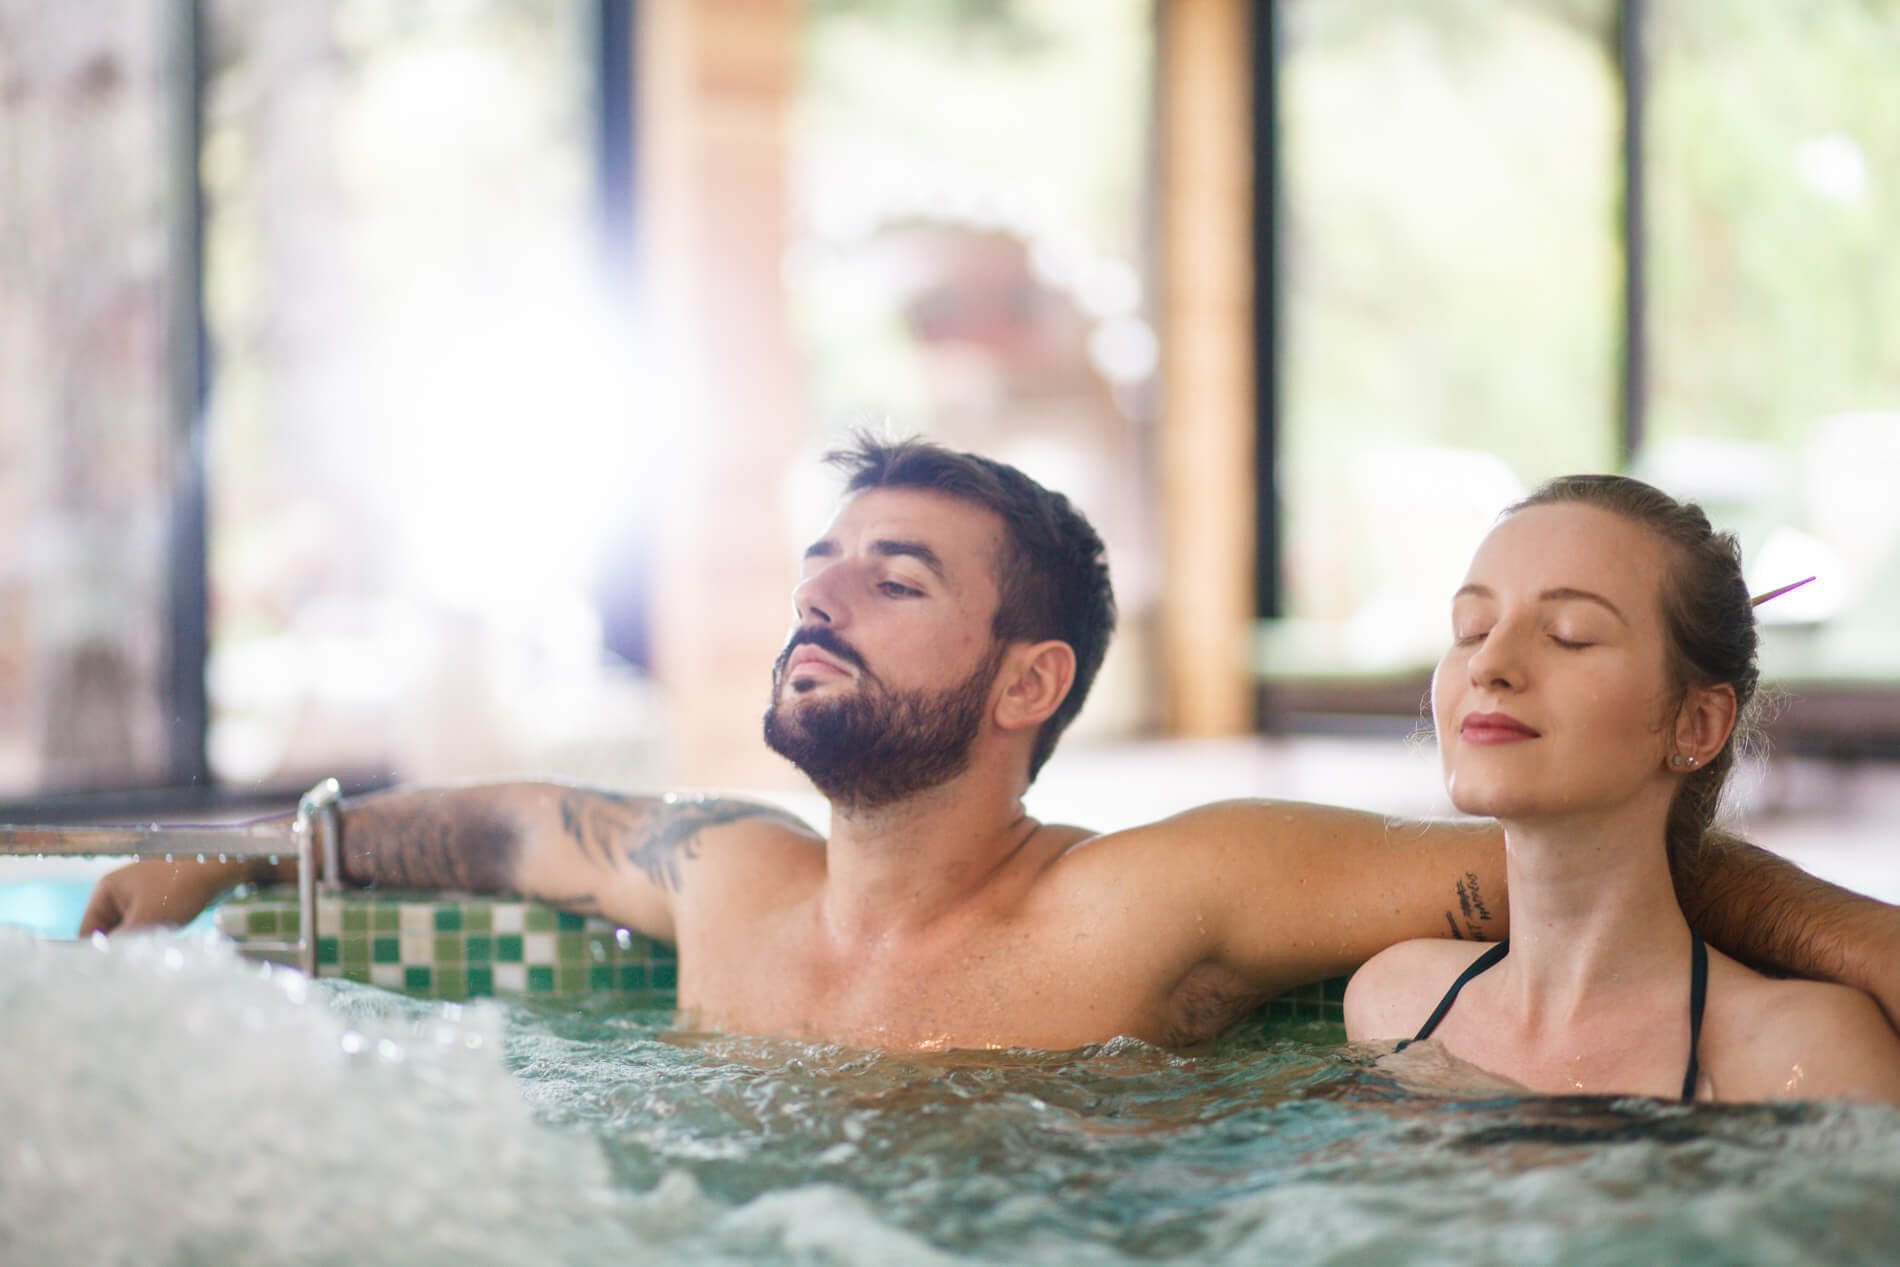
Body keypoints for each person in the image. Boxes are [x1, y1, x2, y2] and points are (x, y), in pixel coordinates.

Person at [82, 439, 1900, 1054]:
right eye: (820, 570)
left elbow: (1585, 870)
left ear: (1029, 681)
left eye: (894, 580)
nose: (823, 603)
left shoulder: (1161, 892)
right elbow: (492, 835)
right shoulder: (729, 881)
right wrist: (248, 851)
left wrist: (1872, 944)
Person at [1345, 475, 1900, 1102]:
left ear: (1697, 723)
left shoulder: (1801, 1059)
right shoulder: (1393, 1009)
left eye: (1569, 635)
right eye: (1473, 628)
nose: (1487, 663)